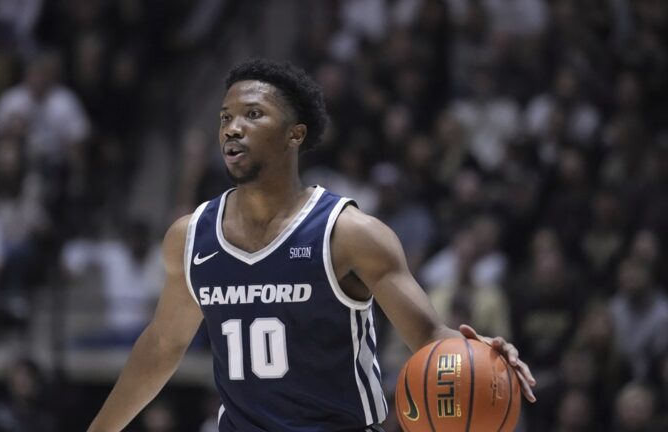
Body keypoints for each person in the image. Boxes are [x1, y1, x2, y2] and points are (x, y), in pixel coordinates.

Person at [88, 59, 536, 432]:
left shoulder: (350, 234)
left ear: (295, 135)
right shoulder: (190, 236)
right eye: (225, 117)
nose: (232, 128)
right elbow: (162, 345)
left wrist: (480, 355)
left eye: (253, 114)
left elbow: (429, 336)